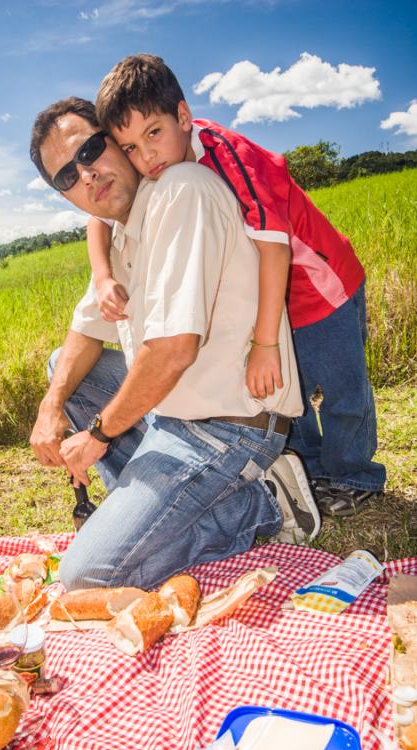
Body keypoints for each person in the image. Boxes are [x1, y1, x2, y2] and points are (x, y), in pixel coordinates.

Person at [28, 97, 319, 590]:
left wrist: (99, 435)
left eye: (90, 151)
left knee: (87, 577)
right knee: (65, 368)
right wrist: (49, 406)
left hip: (228, 428)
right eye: (67, 177)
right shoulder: (123, 232)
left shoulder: (181, 192)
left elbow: (174, 350)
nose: (87, 175)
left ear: (117, 141)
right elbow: (86, 330)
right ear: (65, 196)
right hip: (171, 416)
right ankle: (147, 512)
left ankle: (263, 503)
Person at [88, 54, 386, 517]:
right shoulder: (162, 172)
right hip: (277, 300)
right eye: (129, 147)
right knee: (292, 392)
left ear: (183, 117)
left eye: (153, 133)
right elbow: (98, 213)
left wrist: (265, 341)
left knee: (343, 389)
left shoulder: (231, 154)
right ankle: (308, 471)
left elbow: (276, 250)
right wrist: (103, 275)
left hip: (322, 288)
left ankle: (354, 474)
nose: (146, 157)